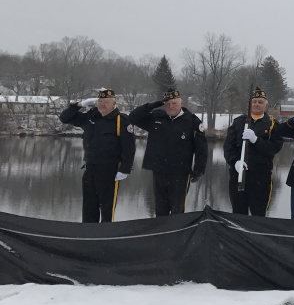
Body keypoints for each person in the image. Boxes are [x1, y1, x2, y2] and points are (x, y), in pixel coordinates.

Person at [59, 88, 136, 223]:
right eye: (100, 102)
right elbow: (64, 118)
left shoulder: (121, 120)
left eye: (106, 102)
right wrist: (80, 105)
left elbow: (129, 148)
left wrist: (125, 169)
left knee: (107, 209)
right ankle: (89, 236)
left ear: (114, 104)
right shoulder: (91, 117)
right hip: (90, 168)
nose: (102, 105)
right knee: (89, 207)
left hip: (110, 170)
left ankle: (106, 237)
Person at [129, 87, 208, 216]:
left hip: (180, 173)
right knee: (160, 209)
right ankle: (162, 234)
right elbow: (133, 118)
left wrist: (199, 169)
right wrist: (151, 106)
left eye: (174, 103)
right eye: (167, 104)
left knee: (177, 209)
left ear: (181, 103)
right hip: (159, 171)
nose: (171, 106)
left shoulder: (192, 121)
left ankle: (176, 234)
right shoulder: (157, 117)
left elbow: (201, 148)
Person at [223, 87, 283, 216]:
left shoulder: (272, 124)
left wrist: (256, 140)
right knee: (238, 214)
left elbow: (274, 147)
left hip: (261, 177)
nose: (256, 104)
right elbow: (228, 147)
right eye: (254, 101)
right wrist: (235, 162)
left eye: (260, 102)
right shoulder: (238, 123)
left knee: (258, 215)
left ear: (266, 106)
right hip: (238, 177)